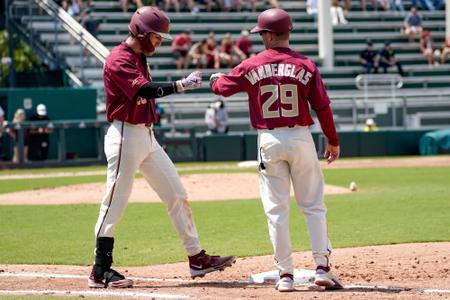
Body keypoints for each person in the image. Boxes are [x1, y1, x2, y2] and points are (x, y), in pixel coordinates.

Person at [88, 7, 235, 289]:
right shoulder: (119, 58)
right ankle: (100, 270)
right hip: (125, 136)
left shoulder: (139, 56)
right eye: (157, 37)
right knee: (115, 202)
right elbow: (143, 90)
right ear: (142, 33)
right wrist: (180, 85)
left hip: (146, 136)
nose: (159, 42)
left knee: (176, 193)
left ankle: (196, 258)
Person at [210, 8, 343, 292]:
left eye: (261, 34)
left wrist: (215, 79)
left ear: (269, 35)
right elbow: (322, 107)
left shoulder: (251, 64)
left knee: (276, 211)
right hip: (301, 138)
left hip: (269, 139)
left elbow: (221, 88)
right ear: (287, 32)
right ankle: (322, 267)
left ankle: (285, 275)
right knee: (314, 206)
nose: (261, 38)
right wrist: (332, 140)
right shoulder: (306, 65)